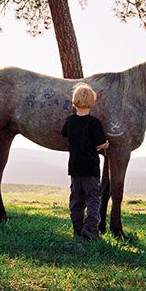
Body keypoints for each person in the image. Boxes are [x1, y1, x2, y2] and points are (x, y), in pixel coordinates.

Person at [61, 83, 109, 240]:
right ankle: (90, 228)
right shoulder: (94, 123)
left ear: (74, 101)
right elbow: (101, 144)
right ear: (93, 102)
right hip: (90, 168)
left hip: (74, 167)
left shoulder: (70, 121)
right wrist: (106, 144)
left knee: (76, 199)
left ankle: (77, 228)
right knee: (93, 198)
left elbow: (65, 134)